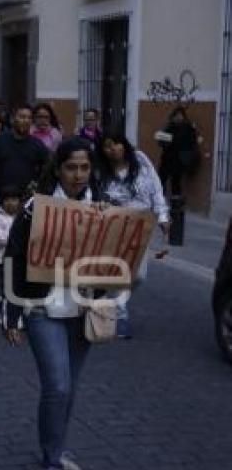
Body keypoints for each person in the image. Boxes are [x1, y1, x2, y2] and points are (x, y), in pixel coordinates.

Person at [4, 137, 106, 470]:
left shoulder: (103, 207)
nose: (78, 175)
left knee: (70, 390)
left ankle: (58, 451)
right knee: (58, 387)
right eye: (71, 167)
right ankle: (49, 467)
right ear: (58, 169)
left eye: (84, 167)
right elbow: (14, 258)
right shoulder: (36, 208)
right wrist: (10, 314)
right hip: (42, 308)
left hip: (82, 311)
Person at [98, 132, 169, 338]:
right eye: (107, 146)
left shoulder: (140, 160)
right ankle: (120, 316)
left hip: (141, 226)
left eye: (116, 143)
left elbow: (156, 189)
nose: (113, 149)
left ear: (124, 144)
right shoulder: (100, 171)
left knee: (138, 275)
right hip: (113, 226)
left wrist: (163, 217)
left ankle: (110, 300)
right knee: (117, 271)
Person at [0, 104, 50, 211]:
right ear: (13, 119)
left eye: (29, 118)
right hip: (1, 199)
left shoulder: (37, 145)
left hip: (27, 201)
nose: (26, 120)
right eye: (22, 117)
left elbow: (48, 169)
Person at [0, 185, 22, 327]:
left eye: (14, 199)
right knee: (1, 289)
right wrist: (13, 240)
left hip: (17, 260)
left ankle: (13, 315)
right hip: (1, 259)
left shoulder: (20, 218)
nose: (11, 203)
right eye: (8, 199)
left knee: (14, 289)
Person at [158, 106, 205, 197]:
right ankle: (160, 201)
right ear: (173, 116)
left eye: (180, 115)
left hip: (179, 160)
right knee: (161, 180)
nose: (179, 118)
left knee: (176, 183)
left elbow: (192, 142)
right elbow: (161, 142)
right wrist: (165, 140)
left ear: (184, 117)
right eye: (177, 115)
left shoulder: (187, 128)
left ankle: (175, 206)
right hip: (167, 159)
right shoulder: (169, 127)